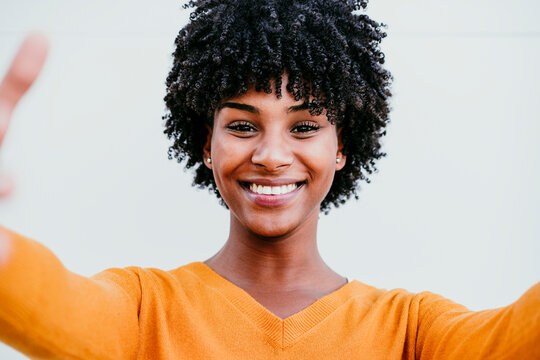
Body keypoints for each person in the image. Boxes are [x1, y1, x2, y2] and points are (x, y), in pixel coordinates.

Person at [0, 0, 539, 359]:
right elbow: (50, 304)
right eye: (241, 124)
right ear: (205, 144)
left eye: (305, 126)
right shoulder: (145, 311)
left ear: (343, 147)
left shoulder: (412, 333)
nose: (271, 154)